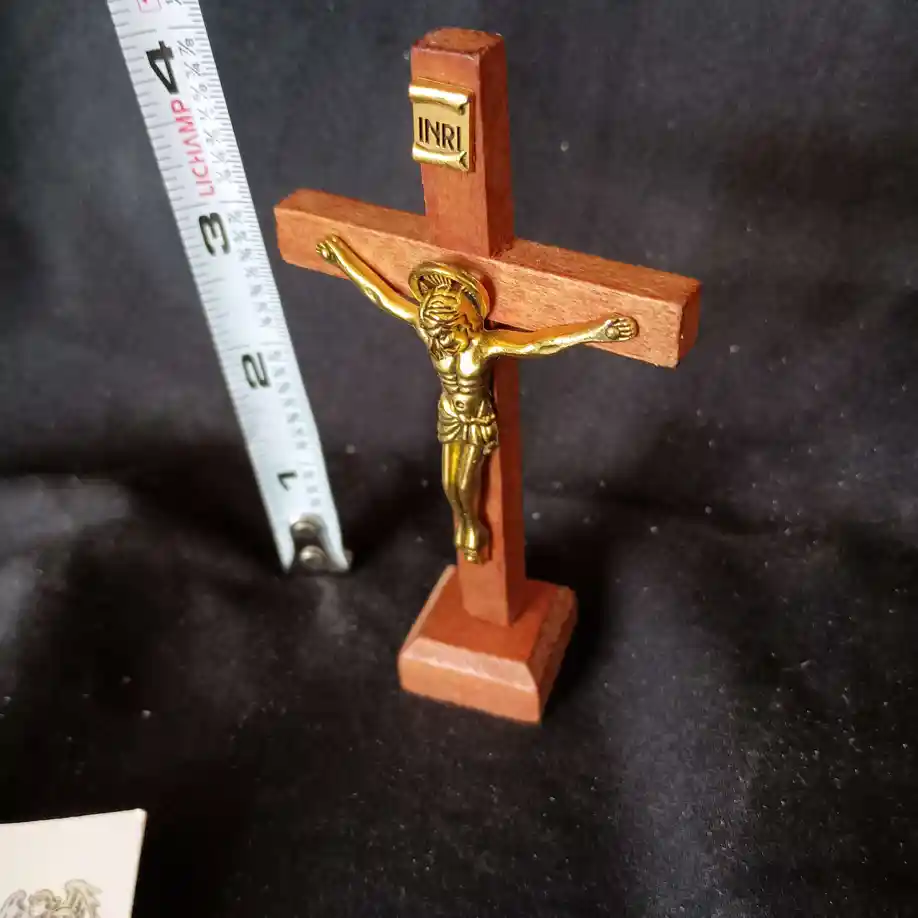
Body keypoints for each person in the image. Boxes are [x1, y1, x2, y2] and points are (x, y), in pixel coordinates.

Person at [316, 235, 638, 563]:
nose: (438, 339)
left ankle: (472, 526)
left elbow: (538, 343)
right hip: (449, 413)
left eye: (445, 331)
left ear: (465, 321)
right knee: (448, 482)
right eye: (434, 331)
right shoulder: (430, 332)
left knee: (465, 481)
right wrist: (342, 258)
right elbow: (381, 295)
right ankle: (465, 520)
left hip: (474, 419)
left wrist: (596, 332)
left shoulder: (484, 346)